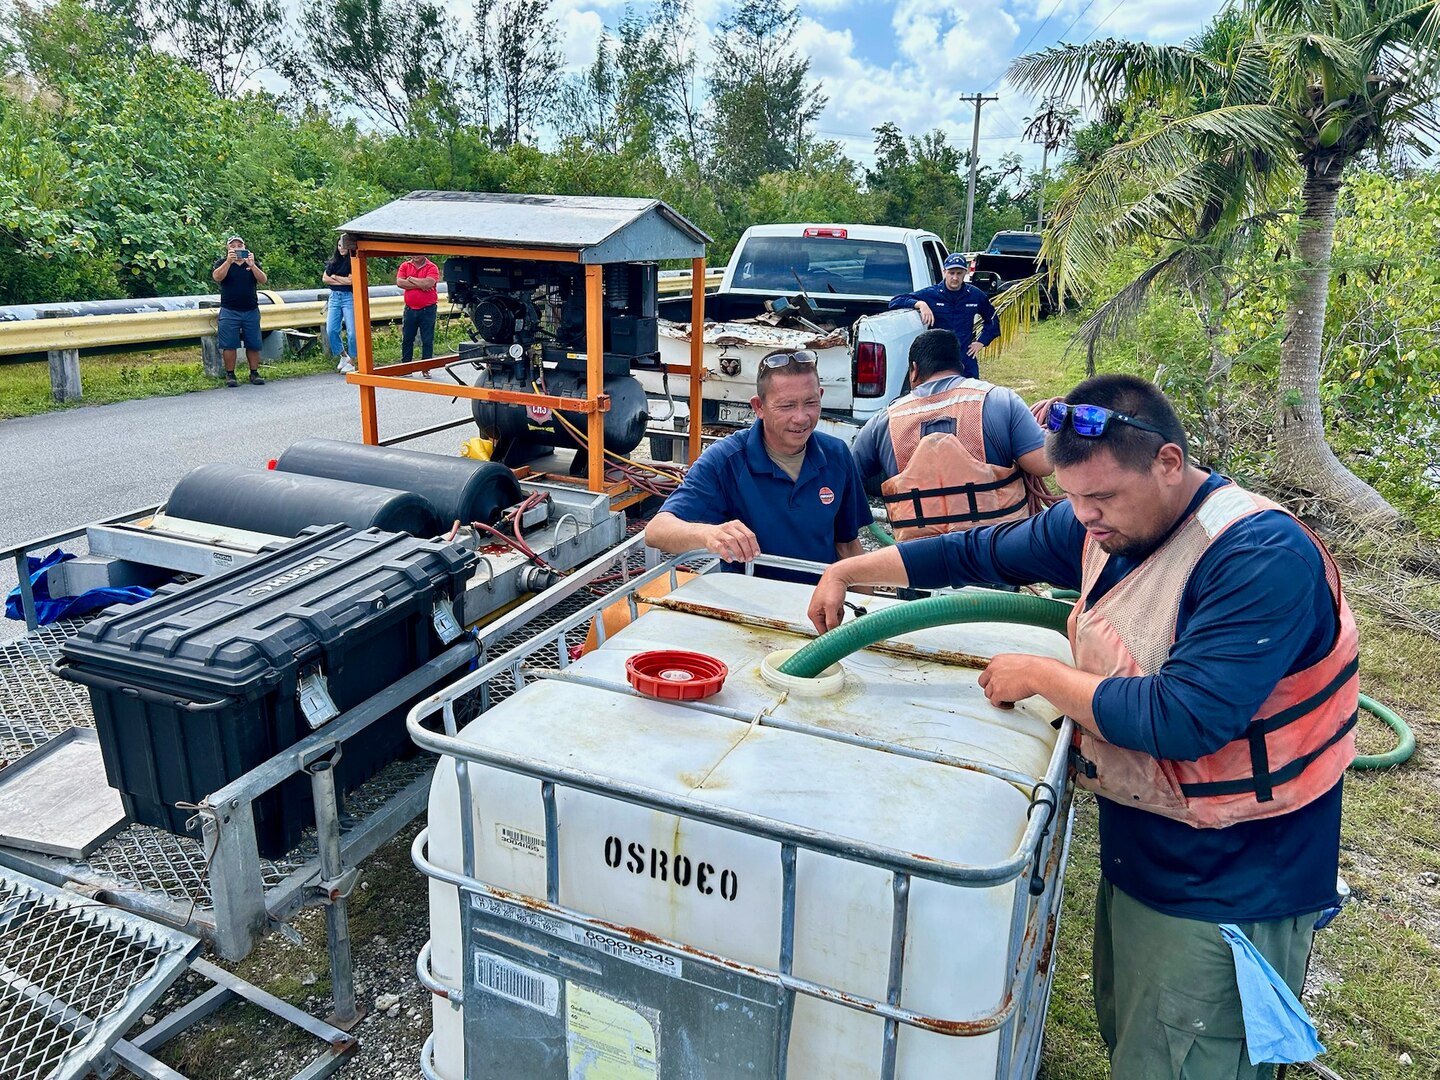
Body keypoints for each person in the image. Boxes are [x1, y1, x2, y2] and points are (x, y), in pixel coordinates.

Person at [808, 374, 1356, 1080]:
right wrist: (852, 571)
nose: (1086, 519)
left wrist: (1043, 678)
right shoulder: (1105, 518)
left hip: (1236, 871)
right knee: (1135, 1030)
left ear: (1167, 463)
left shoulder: (1257, 558)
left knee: (1188, 1048)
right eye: (1072, 498)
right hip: (1150, 839)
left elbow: (1187, 717)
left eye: (1102, 500)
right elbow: (983, 550)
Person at [645, 350, 871, 578]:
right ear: (758, 407)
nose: (801, 417)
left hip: (822, 601)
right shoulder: (726, 460)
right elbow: (657, 531)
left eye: (811, 403)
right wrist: (709, 534)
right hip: (750, 604)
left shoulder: (836, 455)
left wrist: (866, 606)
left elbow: (848, 545)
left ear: (821, 396)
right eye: (787, 406)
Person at [850, 328, 1051, 540]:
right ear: (960, 366)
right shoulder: (1001, 401)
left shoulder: (884, 422)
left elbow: (846, 478)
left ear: (914, 370)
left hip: (920, 557)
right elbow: (1043, 464)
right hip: (998, 552)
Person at [888, 253, 999, 378]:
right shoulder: (931, 294)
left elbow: (992, 319)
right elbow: (895, 301)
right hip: (937, 361)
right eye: (951, 273)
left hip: (964, 359)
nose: (955, 278)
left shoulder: (975, 295)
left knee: (969, 394)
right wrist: (920, 304)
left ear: (965, 273)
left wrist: (981, 342)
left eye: (959, 273)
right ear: (944, 272)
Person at [210, 235, 268, 387]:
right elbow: (217, 277)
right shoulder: (222, 263)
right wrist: (229, 262)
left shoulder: (252, 263)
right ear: (228, 248)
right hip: (230, 310)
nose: (236, 248)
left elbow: (263, 280)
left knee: (254, 343)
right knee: (229, 344)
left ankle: (254, 372)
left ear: (244, 246)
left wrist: (253, 265)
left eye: (239, 245)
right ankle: (230, 374)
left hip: (250, 309)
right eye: (233, 245)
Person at [397, 253, 440, 376]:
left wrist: (410, 279)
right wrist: (420, 284)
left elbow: (428, 284)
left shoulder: (432, 267)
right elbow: (400, 283)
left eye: (418, 253)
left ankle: (426, 368)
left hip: (428, 309)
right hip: (410, 309)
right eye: (413, 254)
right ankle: (406, 367)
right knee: (407, 339)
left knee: (427, 340)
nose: (415, 256)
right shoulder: (405, 265)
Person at [323, 234, 357, 374]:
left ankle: (352, 360)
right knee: (331, 329)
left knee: (352, 331)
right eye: (339, 246)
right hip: (334, 297)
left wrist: (335, 277)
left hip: (349, 297)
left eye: (343, 245)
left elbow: (351, 281)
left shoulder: (353, 261)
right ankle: (343, 355)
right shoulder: (333, 262)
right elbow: (325, 278)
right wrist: (341, 280)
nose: (341, 248)